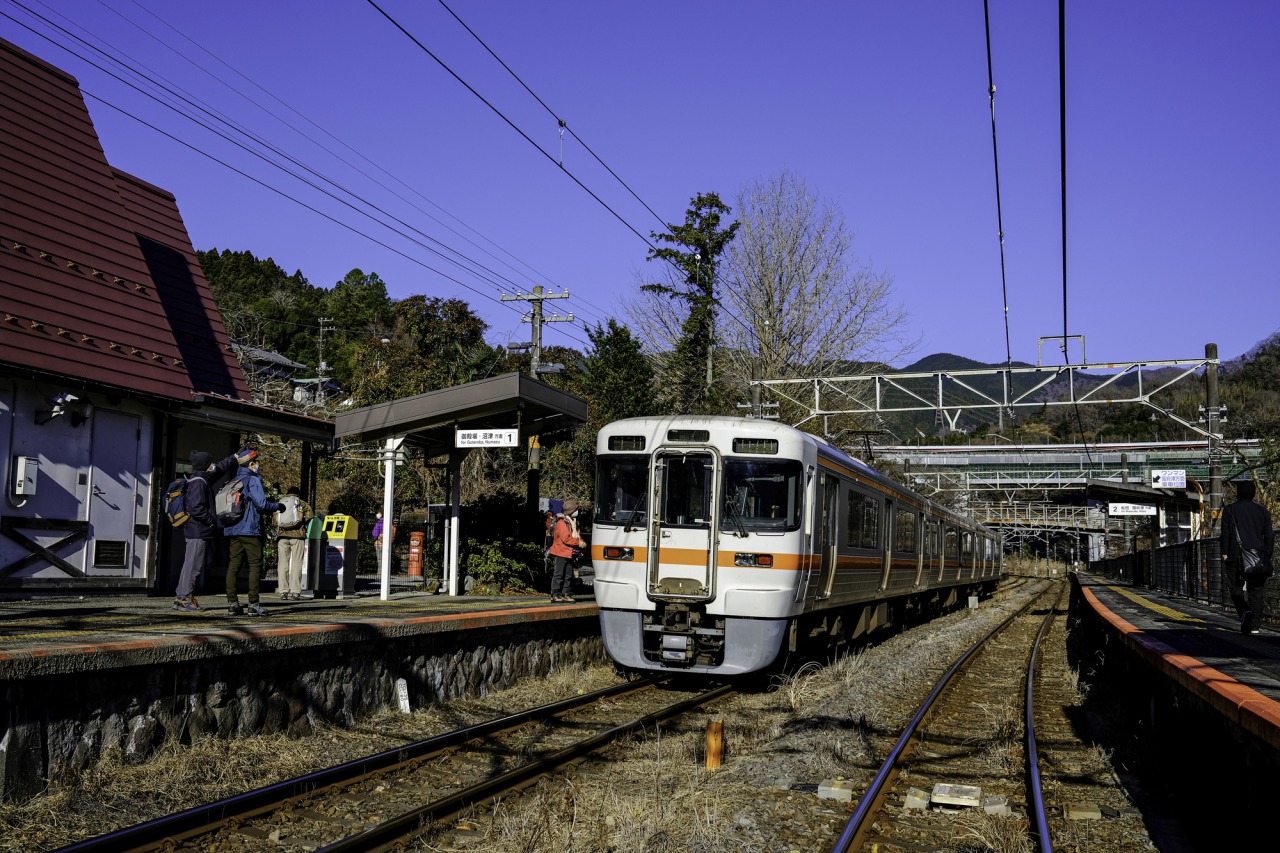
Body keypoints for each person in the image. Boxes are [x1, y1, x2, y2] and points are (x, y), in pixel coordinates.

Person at [174, 449, 249, 612]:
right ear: (205, 466)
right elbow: (196, 508)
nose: (213, 465)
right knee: (193, 565)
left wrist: (234, 458)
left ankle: (181, 596)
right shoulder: (200, 482)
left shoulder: (200, 478)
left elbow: (220, 468)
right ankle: (185, 598)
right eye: (210, 463)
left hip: (195, 529)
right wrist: (210, 521)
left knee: (189, 564)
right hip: (198, 530)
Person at [222, 449, 282, 616]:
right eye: (257, 462)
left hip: (233, 529)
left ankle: (232, 604)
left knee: (233, 566)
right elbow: (261, 504)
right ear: (251, 464)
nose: (259, 465)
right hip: (249, 529)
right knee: (255, 565)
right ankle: (253, 604)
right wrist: (277, 506)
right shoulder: (252, 480)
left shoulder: (234, 480)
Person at [1221, 478, 1275, 635]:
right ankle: (1255, 626)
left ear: (1237, 494)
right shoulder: (1263, 511)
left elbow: (1225, 534)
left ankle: (1244, 612)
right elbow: (1269, 536)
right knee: (1257, 590)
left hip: (1234, 555)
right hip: (1258, 555)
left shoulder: (1229, 510)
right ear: (1253, 494)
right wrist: (1267, 553)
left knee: (1235, 588)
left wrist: (1225, 552)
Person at [275, 486, 314, 601]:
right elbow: (310, 515)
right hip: (297, 536)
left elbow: (274, 520)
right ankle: (295, 592)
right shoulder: (300, 503)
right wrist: (302, 521)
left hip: (282, 536)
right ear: (298, 494)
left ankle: (283, 592)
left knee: (282, 564)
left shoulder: (280, 502)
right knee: (296, 563)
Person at [547, 498, 583, 603]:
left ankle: (566, 594)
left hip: (570, 552)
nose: (577, 512)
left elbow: (577, 536)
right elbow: (566, 538)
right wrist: (578, 543)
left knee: (568, 574)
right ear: (571, 511)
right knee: (559, 574)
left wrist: (581, 541)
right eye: (576, 509)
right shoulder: (562, 523)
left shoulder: (574, 523)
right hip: (561, 552)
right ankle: (555, 594)